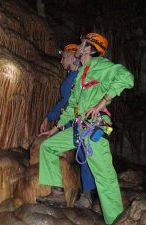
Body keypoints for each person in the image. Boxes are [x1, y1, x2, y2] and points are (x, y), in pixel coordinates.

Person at [38, 32, 134, 225]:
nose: (78, 47)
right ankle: (57, 192)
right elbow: (72, 106)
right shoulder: (82, 72)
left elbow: (127, 78)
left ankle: (116, 220)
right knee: (47, 146)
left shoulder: (103, 67)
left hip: (95, 127)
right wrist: (54, 129)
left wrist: (103, 102)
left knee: (104, 177)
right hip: (79, 127)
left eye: (82, 44)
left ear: (90, 48)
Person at [39, 43, 97, 208]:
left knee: (85, 155)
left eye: (63, 57)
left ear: (73, 58)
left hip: (82, 122)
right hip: (71, 122)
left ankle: (87, 196)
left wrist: (53, 120)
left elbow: (69, 102)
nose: (60, 61)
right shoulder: (72, 76)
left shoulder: (80, 76)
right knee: (49, 146)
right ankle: (58, 192)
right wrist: (49, 117)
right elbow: (64, 102)